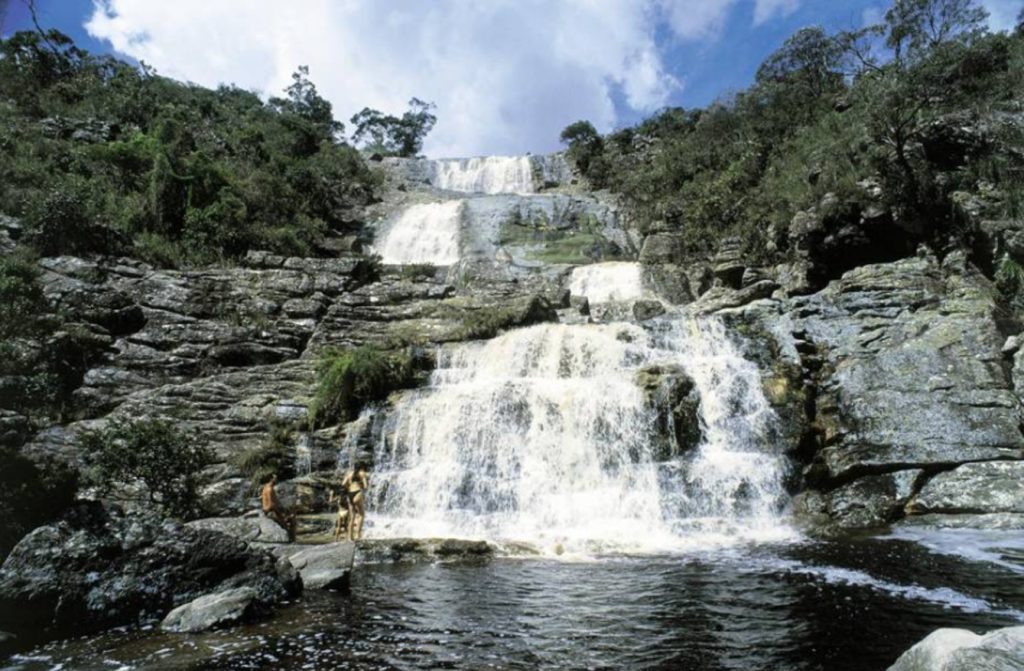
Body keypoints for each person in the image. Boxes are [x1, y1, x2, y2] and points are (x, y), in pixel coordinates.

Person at [261, 473, 296, 541]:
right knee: (289, 523)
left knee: (291, 517)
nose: (276, 480)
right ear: (271, 479)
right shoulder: (269, 489)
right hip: (271, 512)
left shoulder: (267, 487)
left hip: (272, 511)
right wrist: (281, 515)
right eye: (275, 478)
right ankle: (291, 540)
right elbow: (271, 505)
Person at [341, 463, 369, 540]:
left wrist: (349, 486)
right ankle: (358, 535)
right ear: (361, 467)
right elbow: (365, 486)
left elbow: (343, 483)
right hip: (357, 492)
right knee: (361, 514)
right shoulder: (362, 473)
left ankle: (350, 537)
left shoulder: (349, 474)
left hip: (350, 494)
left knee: (352, 516)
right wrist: (362, 486)